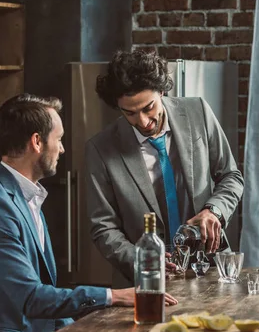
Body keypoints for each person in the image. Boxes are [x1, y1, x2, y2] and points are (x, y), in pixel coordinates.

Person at [0, 94, 177, 332]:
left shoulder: (25, 197)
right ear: (37, 142)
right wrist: (115, 296)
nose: (61, 149)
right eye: (58, 139)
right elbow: (32, 298)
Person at [86, 49, 244, 288]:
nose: (142, 121)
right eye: (129, 113)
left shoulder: (198, 111)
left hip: (209, 269)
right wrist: (142, 260)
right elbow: (103, 227)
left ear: (162, 91)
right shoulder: (100, 149)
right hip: (144, 281)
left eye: (149, 107)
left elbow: (231, 176)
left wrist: (214, 211)